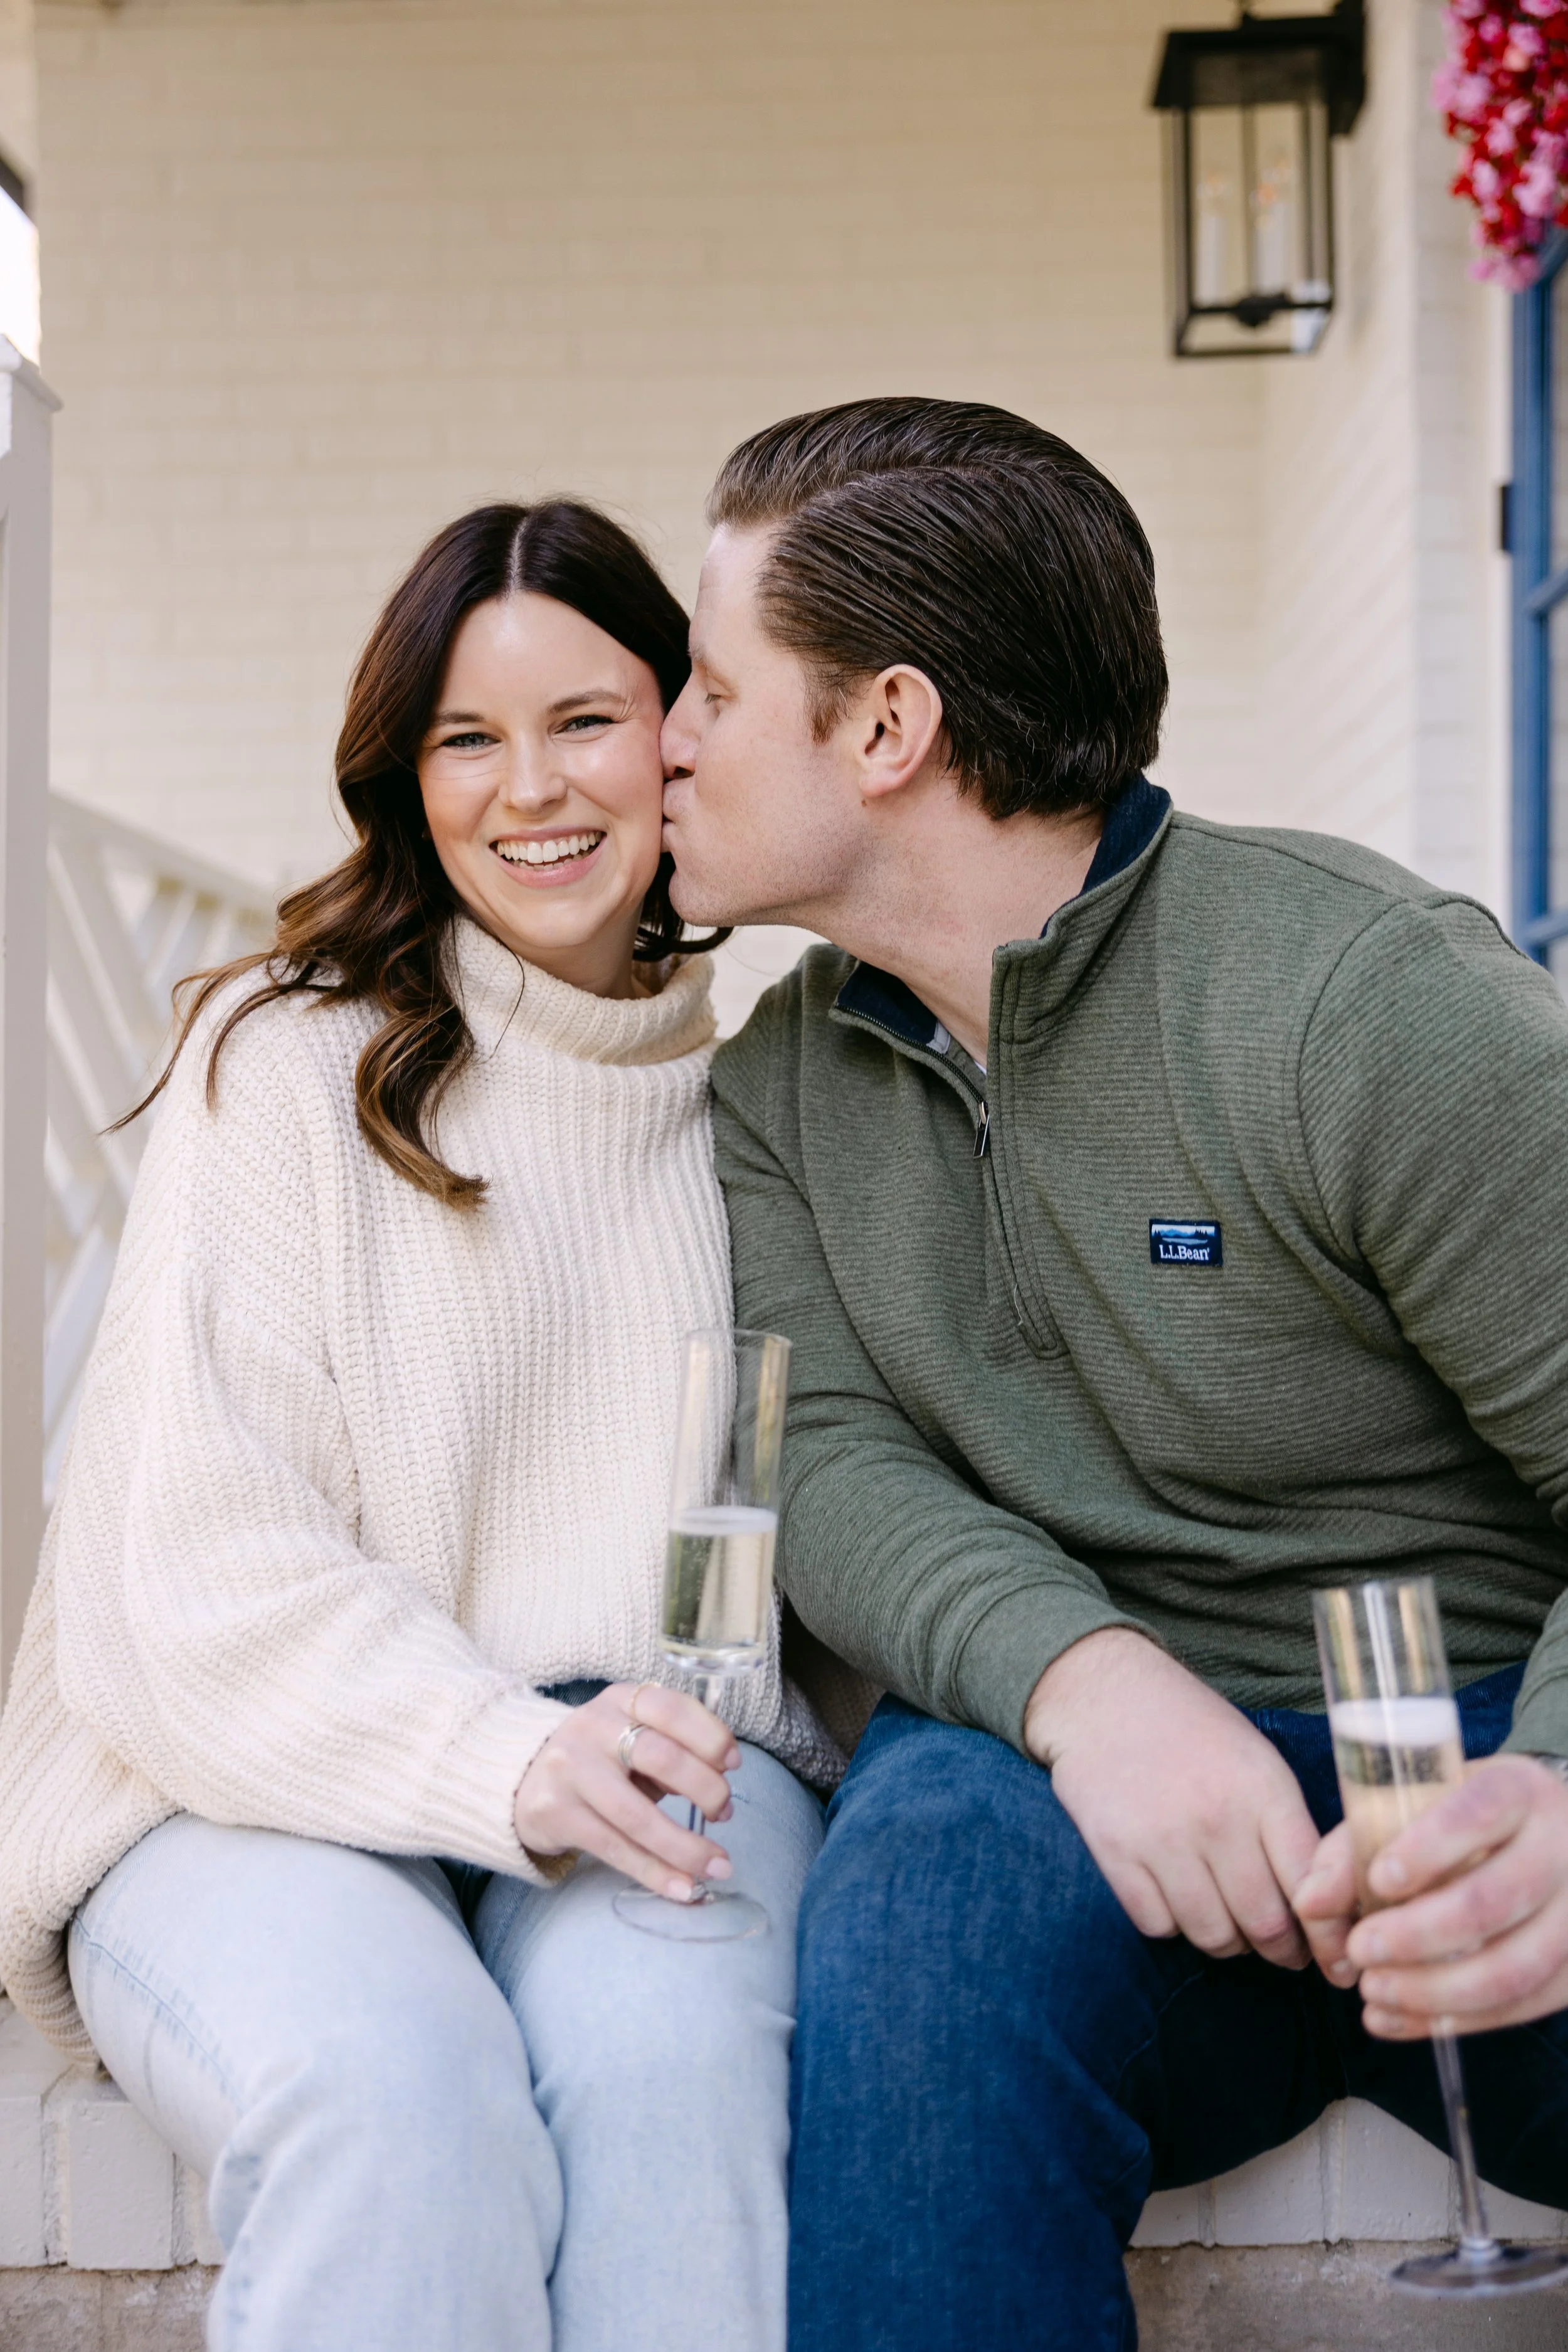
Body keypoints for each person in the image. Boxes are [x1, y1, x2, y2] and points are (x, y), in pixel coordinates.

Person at [657, 396, 1568, 2352]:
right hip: (1077, 1782)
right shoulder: (775, 1088)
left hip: (1471, 1749)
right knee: (923, 1910)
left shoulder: (1360, 996)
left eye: (712, 686)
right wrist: (1083, 1681)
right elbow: (818, 1452)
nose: (664, 736)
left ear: (885, 729)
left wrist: (1559, 1793)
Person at [0, 500, 836, 2352]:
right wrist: (484, 1753)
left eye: (583, 722)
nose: (528, 789)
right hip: (225, 1772)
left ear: (683, 732)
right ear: (409, 773)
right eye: (468, 736)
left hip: (647, 1749)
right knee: (399, 2089)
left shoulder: (764, 1109)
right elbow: (195, 1564)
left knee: (676, 2069)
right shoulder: (283, 1061)